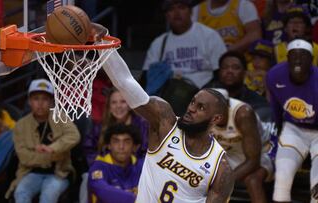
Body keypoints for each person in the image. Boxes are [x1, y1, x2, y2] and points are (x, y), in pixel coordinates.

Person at [95, 21, 234, 201]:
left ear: (215, 119)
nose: (191, 108)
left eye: (201, 107)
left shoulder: (220, 167)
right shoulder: (165, 122)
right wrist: (101, 44)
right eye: (192, 102)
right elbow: (125, 82)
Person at [4, 79, 80, 203]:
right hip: (30, 172)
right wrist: (51, 156)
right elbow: (24, 157)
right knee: (21, 192)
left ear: (51, 102)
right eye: (36, 98)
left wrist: (53, 148)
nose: (40, 103)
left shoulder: (60, 116)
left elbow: (74, 135)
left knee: (48, 195)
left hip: (59, 173)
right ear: (29, 101)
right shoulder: (21, 125)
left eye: (45, 99)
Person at [266, 39, 318, 202]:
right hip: (294, 128)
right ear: (287, 58)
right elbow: (275, 109)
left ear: (311, 60)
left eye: (303, 55)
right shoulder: (274, 75)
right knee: (282, 178)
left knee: (317, 185)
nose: (298, 59)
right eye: (293, 55)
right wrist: (276, 136)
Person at [141, 0, 226, 90]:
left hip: (203, 92)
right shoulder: (159, 43)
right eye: (171, 9)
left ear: (191, 11)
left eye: (181, 7)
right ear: (166, 15)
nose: (177, 13)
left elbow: (220, 72)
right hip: (169, 94)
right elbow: (146, 76)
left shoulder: (209, 35)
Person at [211, 89, 274, 203]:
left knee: (253, 180)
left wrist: (225, 182)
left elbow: (253, 161)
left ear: (227, 104)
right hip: (229, 154)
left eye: (219, 107)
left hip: (261, 152)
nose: (215, 111)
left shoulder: (243, 114)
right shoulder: (202, 114)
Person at [83, 88, 149, 166]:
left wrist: (133, 168)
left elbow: (147, 154)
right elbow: (89, 150)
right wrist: (101, 166)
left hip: (136, 172)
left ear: (130, 105)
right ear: (109, 107)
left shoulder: (143, 126)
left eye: (123, 101)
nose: (118, 106)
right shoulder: (100, 127)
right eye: (114, 102)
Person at [209, 51, 272, 122]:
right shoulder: (208, 98)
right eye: (225, 67)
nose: (229, 71)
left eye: (235, 68)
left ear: (244, 73)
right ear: (219, 73)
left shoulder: (257, 101)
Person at [88, 124, 144, 203]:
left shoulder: (142, 166)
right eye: (116, 141)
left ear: (135, 147)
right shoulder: (99, 166)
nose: (121, 147)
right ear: (109, 145)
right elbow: (101, 189)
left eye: (127, 142)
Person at [191, 0, 261, 52]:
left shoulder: (243, 5)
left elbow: (255, 35)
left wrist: (226, 52)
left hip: (242, 62)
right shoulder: (196, 11)